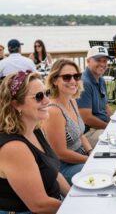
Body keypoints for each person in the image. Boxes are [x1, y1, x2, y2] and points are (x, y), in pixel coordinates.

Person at [0, 70, 70, 213]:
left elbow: (55, 172)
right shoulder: (13, 148)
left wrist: (74, 197)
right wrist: (80, 207)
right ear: (16, 105)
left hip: (57, 205)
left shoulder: (35, 131)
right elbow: (39, 205)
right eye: (39, 96)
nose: (47, 101)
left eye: (47, 93)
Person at [43, 59, 93, 184]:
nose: (73, 81)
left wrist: (91, 153)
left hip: (80, 156)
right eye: (66, 77)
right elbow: (61, 153)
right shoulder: (54, 111)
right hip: (63, 167)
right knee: (102, 171)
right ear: (55, 80)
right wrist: (89, 160)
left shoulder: (72, 101)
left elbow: (81, 134)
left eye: (76, 76)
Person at [76, 46, 112, 148]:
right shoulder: (84, 83)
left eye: (105, 61)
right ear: (88, 61)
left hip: (101, 127)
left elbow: (106, 106)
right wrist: (109, 127)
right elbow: (86, 118)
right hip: (89, 132)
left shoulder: (101, 80)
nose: (102, 64)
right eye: (98, 60)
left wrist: (113, 122)